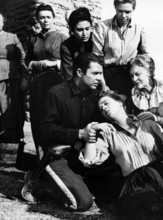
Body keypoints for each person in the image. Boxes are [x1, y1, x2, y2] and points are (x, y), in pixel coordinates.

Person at [81, 90, 163, 219]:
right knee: (154, 208)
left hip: (160, 174)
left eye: (106, 103)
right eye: (101, 108)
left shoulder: (147, 123)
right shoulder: (107, 133)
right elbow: (89, 160)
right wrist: (92, 132)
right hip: (135, 183)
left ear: (119, 102)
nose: (104, 108)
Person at [21, 53, 109, 212]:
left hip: (79, 153)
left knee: (112, 186)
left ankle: (42, 176)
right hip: (56, 154)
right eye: (96, 73)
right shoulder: (56, 93)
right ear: (80, 73)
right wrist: (79, 133)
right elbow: (44, 131)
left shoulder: (95, 95)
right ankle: (41, 182)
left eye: (101, 74)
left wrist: (106, 92)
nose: (100, 78)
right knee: (83, 203)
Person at [25, 4, 68, 156]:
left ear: (53, 18)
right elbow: (27, 60)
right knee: (37, 118)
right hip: (37, 82)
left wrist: (54, 63)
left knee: (53, 118)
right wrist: (34, 64)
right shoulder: (34, 39)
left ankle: (55, 159)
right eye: (41, 17)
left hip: (56, 82)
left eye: (48, 17)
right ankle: (40, 158)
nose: (45, 20)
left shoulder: (62, 37)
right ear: (37, 20)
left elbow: (70, 61)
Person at [92, 0, 148, 97]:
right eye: (120, 11)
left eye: (127, 12)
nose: (123, 15)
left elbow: (144, 57)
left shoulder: (139, 29)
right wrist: (103, 83)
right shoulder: (102, 27)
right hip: (107, 75)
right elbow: (96, 58)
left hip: (130, 76)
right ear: (115, 8)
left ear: (133, 10)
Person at [128, 54, 163, 137]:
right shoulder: (133, 94)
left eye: (137, 74)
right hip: (145, 138)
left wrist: (156, 118)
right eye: (132, 76)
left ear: (149, 72)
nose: (134, 79)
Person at [0, 12, 28, 143]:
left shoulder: (12, 37)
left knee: (12, 110)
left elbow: (22, 58)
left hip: (12, 79)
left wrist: (24, 77)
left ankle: (12, 141)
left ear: (3, 22)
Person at [61, 7, 105, 85]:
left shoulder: (97, 41)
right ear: (72, 31)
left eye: (87, 29)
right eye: (80, 30)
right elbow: (68, 76)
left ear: (92, 27)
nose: (85, 34)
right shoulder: (66, 46)